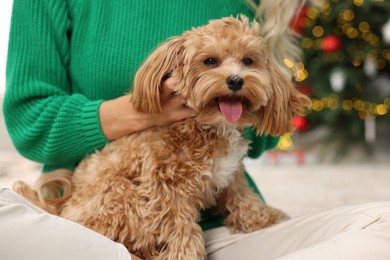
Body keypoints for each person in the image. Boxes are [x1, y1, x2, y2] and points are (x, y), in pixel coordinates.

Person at [2, 0, 390, 259]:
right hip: (94, 230)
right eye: (212, 61)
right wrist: (151, 113)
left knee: (383, 224)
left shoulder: (249, 7)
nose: (235, 74)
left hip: (218, 234)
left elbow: (254, 140)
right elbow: (29, 119)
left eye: (247, 63)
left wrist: (238, 109)